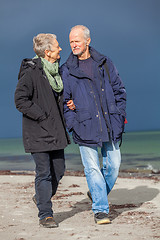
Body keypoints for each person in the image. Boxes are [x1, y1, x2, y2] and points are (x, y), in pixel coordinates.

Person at [61, 25, 127, 224]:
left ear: (88, 41)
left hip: (110, 122)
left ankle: (97, 193)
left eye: (77, 41)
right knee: (92, 169)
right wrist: (72, 122)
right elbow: (64, 101)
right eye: (71, 41)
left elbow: (119, 91)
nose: (73, 45)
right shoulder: (67, 70)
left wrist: (119, 115)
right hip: (83, 124)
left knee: (114, 165)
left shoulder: (105, 63)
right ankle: (100, 210)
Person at [14, 33, 70, 228]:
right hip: (37, 131)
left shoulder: (56, 72)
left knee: (59, 170)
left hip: (55, 131)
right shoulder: (31, 72)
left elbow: (55, 100)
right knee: (44, 173)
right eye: (57, 46)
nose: (60, 49)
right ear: (47, 52)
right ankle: (45, 215)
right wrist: (42, 115)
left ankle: (40, 197)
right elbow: (20, 100)